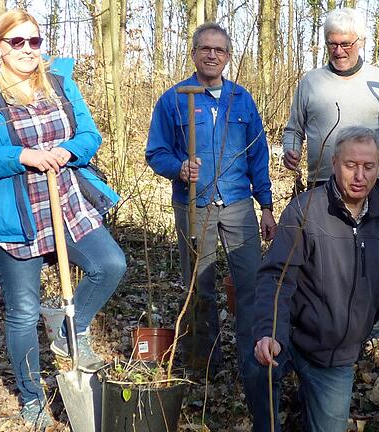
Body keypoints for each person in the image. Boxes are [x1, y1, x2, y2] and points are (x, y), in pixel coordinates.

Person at [0, 10, 126, 430]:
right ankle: (32, 399)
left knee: (110, 265)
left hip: (64, 202)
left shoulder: (59, 80)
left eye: (34, 41)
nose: (28, 50)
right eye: (18, 42)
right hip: (13, 213)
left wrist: (69, 152)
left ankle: (69, 329)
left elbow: (89, 134)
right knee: (23, 312)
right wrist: (20, 156)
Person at [246, 126, 379, 431]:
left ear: (378, 168)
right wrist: (269, 332)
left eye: (368, 167)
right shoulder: (305, 210)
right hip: (290, 335)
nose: (359, 176)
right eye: (351, 165)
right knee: (257, 366)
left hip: (335, 357)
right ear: (334, 164)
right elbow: (276, 276)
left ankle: (307, 402)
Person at [146, 23, 276, 377]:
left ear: (228, 57)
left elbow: (258, 155)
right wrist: (178, 167)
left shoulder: (242, 99)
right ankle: (204, 364)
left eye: (220, 51)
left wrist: (266, 206)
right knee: (199, 286)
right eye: (206, 49)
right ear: (194, 53)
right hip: (194, 205)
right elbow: (155, 151)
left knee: (250, 283)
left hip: (238, 204)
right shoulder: (175, 98)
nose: (212, 56)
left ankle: (253, 361)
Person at [281, 7, 379, 191]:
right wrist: (291, 150)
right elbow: (294, 130)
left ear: (361, 41)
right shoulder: (310, 82)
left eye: (346, 44)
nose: (338, 51)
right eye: (332, 44)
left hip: (369, 184)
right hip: (322, 184)